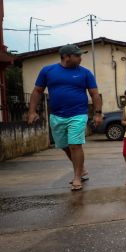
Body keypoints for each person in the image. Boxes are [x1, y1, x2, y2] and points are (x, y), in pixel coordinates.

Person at [26, 44, 102, 191]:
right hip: (57, 115)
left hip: (78, 114)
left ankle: (77, 177)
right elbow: (37, 91)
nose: (80, 58)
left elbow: (94, 94)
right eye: (77, 55)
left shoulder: (85, 73)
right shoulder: (48, 71)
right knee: (64, 146)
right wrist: (32, 111)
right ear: (66, 57)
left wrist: (97, 113)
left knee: (75, 145)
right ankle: (82, 169)